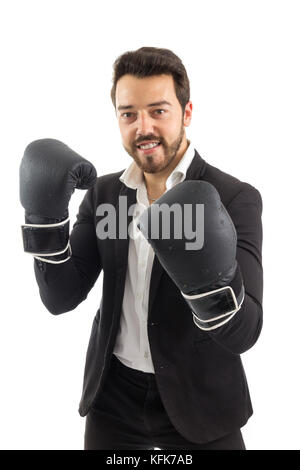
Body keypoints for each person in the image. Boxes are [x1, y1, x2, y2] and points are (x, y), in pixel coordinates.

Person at [19, 47, 263, 450]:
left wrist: (209, 283)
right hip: (114, 399)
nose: (143, 127)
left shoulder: (234, 197)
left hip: (200, 400)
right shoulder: (104, 195)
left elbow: (246, 332)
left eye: (158, 110)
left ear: (186, 113)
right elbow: (60, 297)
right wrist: (44, 221)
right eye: (128, 113)